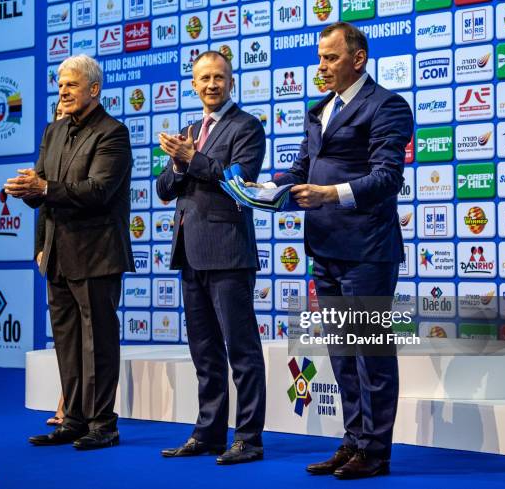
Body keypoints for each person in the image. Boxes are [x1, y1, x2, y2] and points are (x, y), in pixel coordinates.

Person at [251, 22, 413, 479]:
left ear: (357, 59)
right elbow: (301, 167)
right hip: (324, 247)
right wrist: (261, 189)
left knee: (371, 355)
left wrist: (328, 193)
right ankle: (353, 441)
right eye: (320, 58)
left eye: (331, 58)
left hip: (367, 250)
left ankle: (375, 453)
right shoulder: (319, 108)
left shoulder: (387, 106)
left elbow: (387, 179)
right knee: (342, 356)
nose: (321, 67)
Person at [5, 54, 133, 450]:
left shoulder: (113, 132)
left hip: (97, 253)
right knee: (67, 341)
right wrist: (31, 197)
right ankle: (74, 420)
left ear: (93, 90)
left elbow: (98, 192)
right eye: (60, 84)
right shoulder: (54, 130)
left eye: (71, 84)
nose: (63, 90)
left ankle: (103, 424)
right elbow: (43, 191)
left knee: (98, 342)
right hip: (58, 254)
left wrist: (43, 189)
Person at [156, 51, 266, 465]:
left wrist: (191, 159)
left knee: (242, 352)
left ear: (231, 81)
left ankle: (249, 439)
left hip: (229, 253)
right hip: (190, 253)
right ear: (193, 84)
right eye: (204, 78)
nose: (211, 85)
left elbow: (238, 182)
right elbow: (165, 188)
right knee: (204, 352)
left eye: (219, 77)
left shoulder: (247, 127)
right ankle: (209, 433)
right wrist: (181, 161)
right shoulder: (189, 131)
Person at [36, 100, 67, 427]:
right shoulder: (50, 143)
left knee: (85, 338)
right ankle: (67, 405)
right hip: (54, 250)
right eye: (57, 115)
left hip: (88, 250)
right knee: (64, 337)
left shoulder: (102, 138)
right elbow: (43, 206)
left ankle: (70, 406)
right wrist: (38, 248)